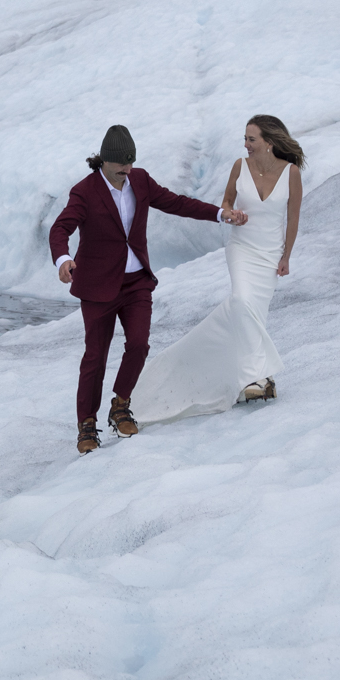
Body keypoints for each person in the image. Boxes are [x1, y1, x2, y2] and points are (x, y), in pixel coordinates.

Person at [48, 124, 240, 454]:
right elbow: (60, 228)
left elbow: (177, 203)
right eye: (122, 163)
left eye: (131, 162)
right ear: (104, 161)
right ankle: (86, 425)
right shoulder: (84, 191)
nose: (128, 169)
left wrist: (220, 214)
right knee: (96, 356)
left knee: (138, 344)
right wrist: (63, 258)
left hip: (136, 282)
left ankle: (120, 404)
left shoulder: (140, 181)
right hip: (97, 287)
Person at [133, 114, 304, 424]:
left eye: (251, 139)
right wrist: (230, 213)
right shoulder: (240, 166)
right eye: (245, 138)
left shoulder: (291, 173)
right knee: (241, 301)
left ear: (269, 141)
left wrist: (286, 256)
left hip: (269, 255)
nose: (246, 144)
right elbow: (226, 201)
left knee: (252, 314)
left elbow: (293, 219)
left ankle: (245, 381)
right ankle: (258, 378)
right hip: (241, 249)